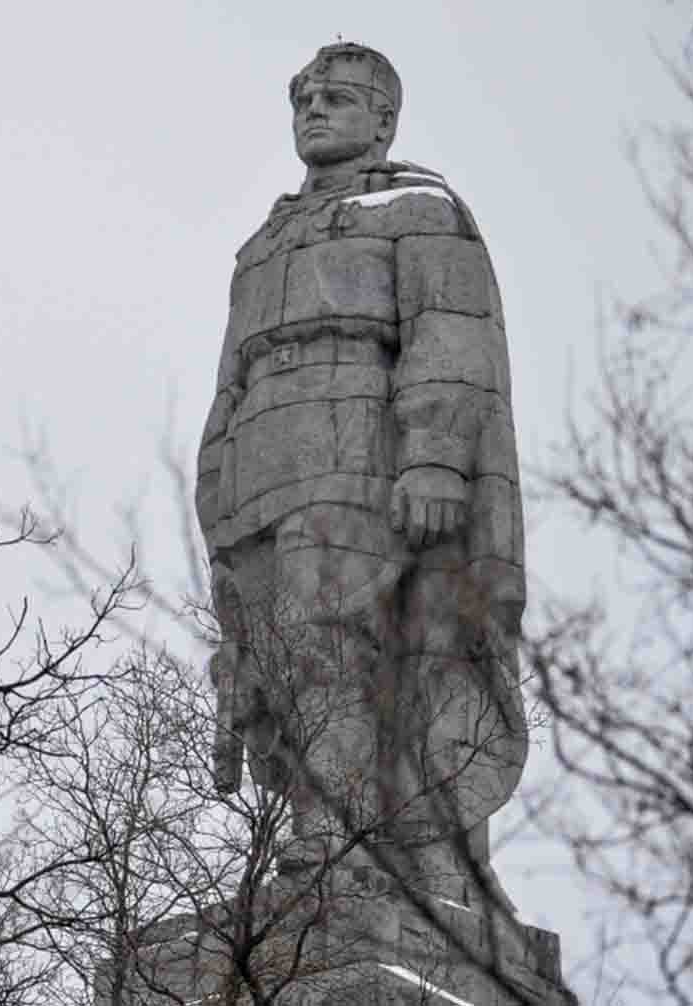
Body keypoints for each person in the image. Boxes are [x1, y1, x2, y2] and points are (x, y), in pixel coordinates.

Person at [197, 42, 525, 910]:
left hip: (360, 452)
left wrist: (432, 457)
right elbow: (231, 376)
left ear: (382, 120)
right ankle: (325, 834)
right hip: (263, 468)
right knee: (276, 659)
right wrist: (214, 490)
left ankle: (338, 844)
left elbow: (448, 340)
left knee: (331, 640)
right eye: (304, 98)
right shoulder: (261, 243)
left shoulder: (419, 211)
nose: (313, 110)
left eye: (337, 98)